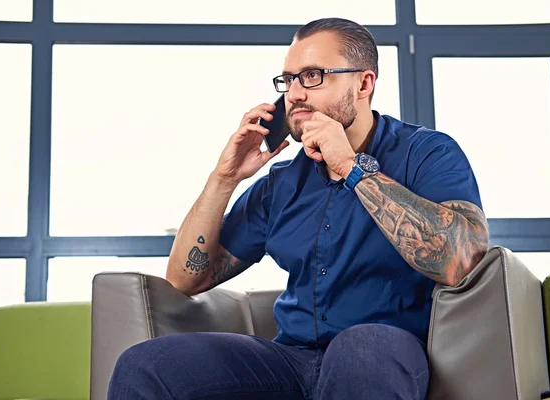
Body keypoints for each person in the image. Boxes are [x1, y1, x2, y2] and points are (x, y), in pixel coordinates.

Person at [107, 17, 489, 400]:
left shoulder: (427, 153)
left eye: (312, 76)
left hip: (383, 350)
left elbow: (462, 260)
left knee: (360, 347)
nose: (294, 94)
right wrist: (224, 178)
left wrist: (350, 168)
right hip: (290, 359)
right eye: (288, 79)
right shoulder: (280, 184)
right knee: (146, 364)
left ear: (363, 83)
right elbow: (184, 279)